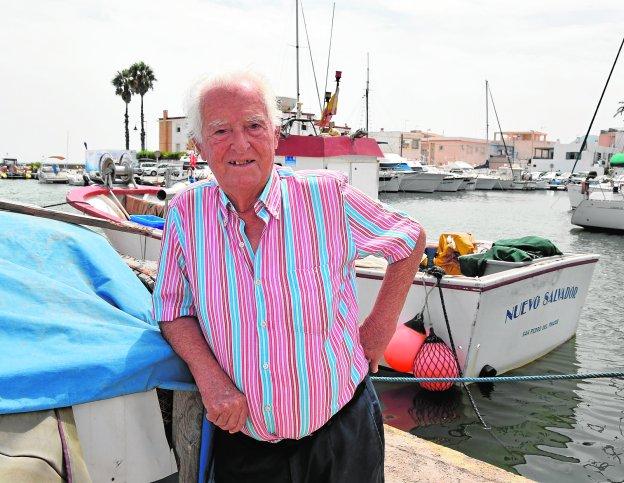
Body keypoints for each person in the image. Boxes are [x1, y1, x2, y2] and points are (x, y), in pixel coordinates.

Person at [153, 71, 425, 482]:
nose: (240, 144)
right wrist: (211, 380)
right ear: (200, 147)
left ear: (275, 135)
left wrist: (378, 330)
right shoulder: (186, 214)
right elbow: (173, 309)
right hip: (247, 445)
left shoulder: (328, 197)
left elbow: (409, 240)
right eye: (221, 130)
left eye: (253, 126)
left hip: (343, 431)